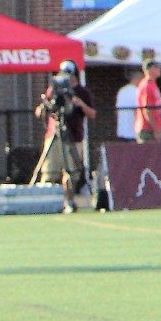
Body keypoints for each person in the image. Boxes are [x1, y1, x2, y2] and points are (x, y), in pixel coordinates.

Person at [34, 59, 96, 213]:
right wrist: (46, 105)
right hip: (54, 134)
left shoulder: (82, 92)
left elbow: (92, 114)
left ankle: (69, 201)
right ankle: (45, 202)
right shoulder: (54, 89)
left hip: (73, 135)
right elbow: (41, 111)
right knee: (49, 170)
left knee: (72, 172)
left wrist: (80, 103)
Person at [135, 60, 161, 143]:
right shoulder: (146, 85)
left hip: (154, 127)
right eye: (156, 67)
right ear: (149, 70)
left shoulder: (152, 84)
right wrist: (155, 130)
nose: (159, 69)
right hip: (147, 129)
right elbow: (147, 109)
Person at [115, 67, 143, 142]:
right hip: (133, 132)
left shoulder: (122, 91)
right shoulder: (137, 92)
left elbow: (117, 111)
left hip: (122, 131)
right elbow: (137, 112)